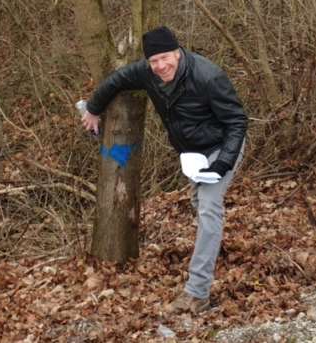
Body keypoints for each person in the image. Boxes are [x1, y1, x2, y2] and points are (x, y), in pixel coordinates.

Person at [81, 25, 248, 314]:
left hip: (221, 147)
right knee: (200, 204)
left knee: (209, 208)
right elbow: (116, 80)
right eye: (153, 61)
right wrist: (92, 109)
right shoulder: (147, 73)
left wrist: (222, 164)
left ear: (177, 52)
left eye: (164, 58)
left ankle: (197, 293)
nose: (160, 66)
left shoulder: (209, 76)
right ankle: (209, 252)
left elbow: (237, 122)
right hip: (193, 155)